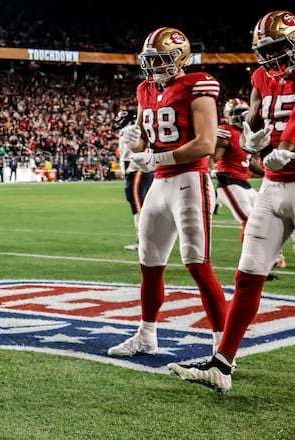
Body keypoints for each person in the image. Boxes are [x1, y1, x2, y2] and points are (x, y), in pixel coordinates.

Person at [168, 11, 295, 393]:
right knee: (247, 275)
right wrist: (252, 136)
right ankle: (222, 365)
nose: (270, 58)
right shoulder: (261, 78)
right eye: (265, 51)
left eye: (278, 48)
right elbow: (254, 116)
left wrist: (287, 146)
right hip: (273, 185)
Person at [106, 27, 227, 358]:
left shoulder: (198, 84)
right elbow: (145, 143)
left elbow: (206, 144)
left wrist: (156, 158)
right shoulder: (144, 89)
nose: (155, 66)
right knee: (149, 265)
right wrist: (134, 143)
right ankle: (146, 335)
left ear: (180, 58)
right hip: (159, 184)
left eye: (161, 59)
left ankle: (223, 347)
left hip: (190, 181)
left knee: (197, 264)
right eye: (151, 59)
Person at [115, 109, 154, 251]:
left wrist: (126, 172)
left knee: (138, 207)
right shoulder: (140, 128)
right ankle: (147, 239)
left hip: (137, 170)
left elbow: (126, 156)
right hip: (147, 170)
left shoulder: (128, 130)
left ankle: (142, 241)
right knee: (143, 206)